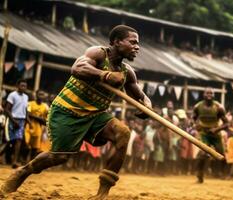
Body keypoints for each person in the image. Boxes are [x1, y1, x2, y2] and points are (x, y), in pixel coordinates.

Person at [0, 25, 152, 199]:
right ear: (117, 42)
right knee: (60, 157)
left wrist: (147, 105)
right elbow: (78, 68)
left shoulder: (127, 73)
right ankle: (22, 172)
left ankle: (102, 193)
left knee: (123, 133)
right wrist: (105, 76)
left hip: (96, 115)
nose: (137, 47)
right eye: (133, 42)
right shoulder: (98, 53)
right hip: (67, 111)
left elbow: (141, 97)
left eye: (137, 44)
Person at [193, 87, 229, 183]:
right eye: (207, 93)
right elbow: (193, 119)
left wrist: (216, 129)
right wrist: (196, 125)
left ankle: (223, 174)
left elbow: (227, 124)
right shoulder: (197, 107)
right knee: (203, 154)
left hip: (216, 134)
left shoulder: (219, 107)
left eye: (211, 93)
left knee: (221, 155)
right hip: (204, 134)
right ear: (203, 95)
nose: (209, 95)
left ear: (214, 95)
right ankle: (199, 176)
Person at [4, 79, 29, 168]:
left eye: (25, 86)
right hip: (12, 119)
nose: (23, 87)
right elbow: (7, 109)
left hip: (21, 120)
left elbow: (25, 110)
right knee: (8, 141)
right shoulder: (12, 95)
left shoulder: (26, 97)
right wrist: (14, 121)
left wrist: (27, 119)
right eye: (22, 85)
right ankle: (8, 159)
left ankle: (14, 161)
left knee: (19, 140)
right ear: (17, 86)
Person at [24, 90, 48, 160]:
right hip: (29, 126)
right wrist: (38, 119)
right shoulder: (30, 104)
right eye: (40, 94)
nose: (41, 96)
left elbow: (45, 121)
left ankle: (31, 162)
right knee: (26, 144)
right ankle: (23, 160)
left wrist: (34, 116)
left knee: (35, 147)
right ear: (36, 95)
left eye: (42, 95)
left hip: (38, 128)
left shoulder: (45, 107)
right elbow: (27, 115)